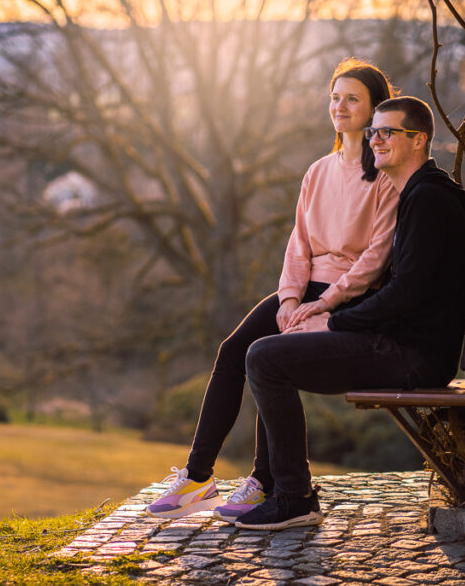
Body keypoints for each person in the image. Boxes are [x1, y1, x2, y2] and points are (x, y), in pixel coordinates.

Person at [146, 58, 400, 521]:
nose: (340, 106)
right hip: (303, 290)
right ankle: (198, 477)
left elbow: (375, 259)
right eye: (335, 97)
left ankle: (266, 483)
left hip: (349, 299)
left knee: (271, 356)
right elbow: (298, 244)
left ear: (374, 109)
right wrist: (288, 299)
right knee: (233, 350)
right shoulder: (318, 171)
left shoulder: (384, 177)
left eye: (352, 99)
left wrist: (323, 304)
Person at [233, 95, 465, 530]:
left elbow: (407, 293)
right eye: (373, 131)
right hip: (397, 344)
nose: (375, 140)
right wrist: (320, 313)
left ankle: (293, 498)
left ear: (418, 140)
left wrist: (336, 319)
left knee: (264, 358)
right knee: (271, 350)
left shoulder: (429, 200)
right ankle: (289, 492)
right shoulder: (417, 194)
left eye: (388, 132)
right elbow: (403, 291)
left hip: (413, 357)